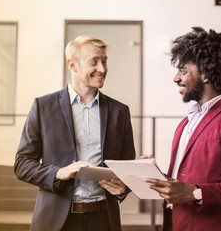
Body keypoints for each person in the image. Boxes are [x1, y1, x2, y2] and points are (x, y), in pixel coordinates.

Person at [145, 27, 221, 231]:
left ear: (206, 75)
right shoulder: (186, 122)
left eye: (183, 71)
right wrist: (154, 175)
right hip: (175, 224)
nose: (176, 78)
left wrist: (194, 193)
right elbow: (186, 180)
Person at [14, 35, 136, 231]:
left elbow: (127, 166)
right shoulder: (43, 107)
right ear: (73, 65)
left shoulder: (120, 112)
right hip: (56, 221)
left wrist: (124, 187)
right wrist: (57, 173)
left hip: (104, 220)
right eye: (94, 62)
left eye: (104, 61)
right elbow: (22, 164)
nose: (102, 69)